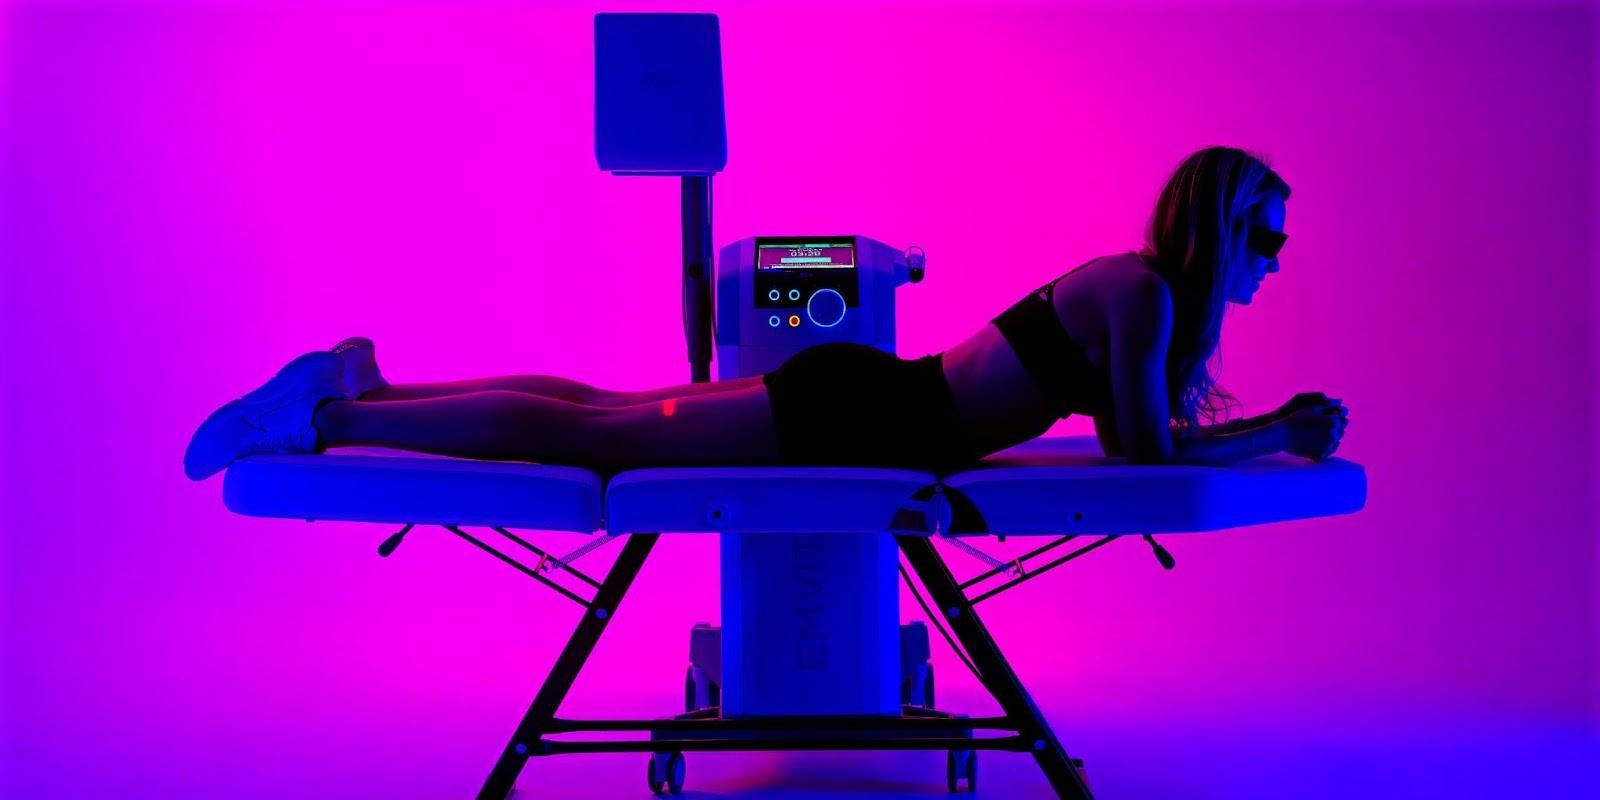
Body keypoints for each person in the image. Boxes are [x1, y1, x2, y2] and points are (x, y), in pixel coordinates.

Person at [183, 145, 1349, 480]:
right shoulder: (1141, 290)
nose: (1275, 259)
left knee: (600, 408)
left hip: (871, 402)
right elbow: (1146, 454)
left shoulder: (1133, 295)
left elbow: (1120, 440)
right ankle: (325, 423)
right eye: (1267, 234)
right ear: (1217, 224)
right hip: (868, 415)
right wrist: (1280, 431)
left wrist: (1269, 430)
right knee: (597, 437)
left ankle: (361, 383)